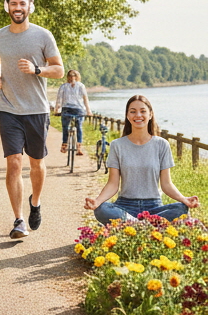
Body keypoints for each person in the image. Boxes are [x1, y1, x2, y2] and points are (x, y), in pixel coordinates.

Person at [0, 0, 64, 240]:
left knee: (37, 164)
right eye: (13, 3)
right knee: (13, 163)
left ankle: (36, 201)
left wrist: (36, 70)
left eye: (22, 4)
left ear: (30, 7)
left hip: (36, 109)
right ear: (6, 6)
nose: (17, 8)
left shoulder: (43, 36)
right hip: (8, 108)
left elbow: (59, 70)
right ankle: (19, 220)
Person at [84, 95, 199, 223]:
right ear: (127, 116)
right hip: (125, 206)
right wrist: (97, 201)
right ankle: (146, 225)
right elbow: (113, 183)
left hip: (154, 206)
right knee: (102, 209)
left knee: (181, 209)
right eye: (133, 111)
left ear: (150, 114)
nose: (138, 115)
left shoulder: (161, 144)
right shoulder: (117, 145)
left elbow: (166, 184)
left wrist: (184, 199)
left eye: (143, 111)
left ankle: (133, 225)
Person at [55, 69, 92, 155]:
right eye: (71, 76)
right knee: (78, 127)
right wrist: (88, 111)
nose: (72, 78)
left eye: (73, 76)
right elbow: (85, 99)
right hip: (78, 109)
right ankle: (78, 147)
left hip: (67, 109)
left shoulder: (64, 86)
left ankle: (65, 145)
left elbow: (59, 99)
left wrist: (56, 110)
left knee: (66, 127)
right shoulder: (81, 86)